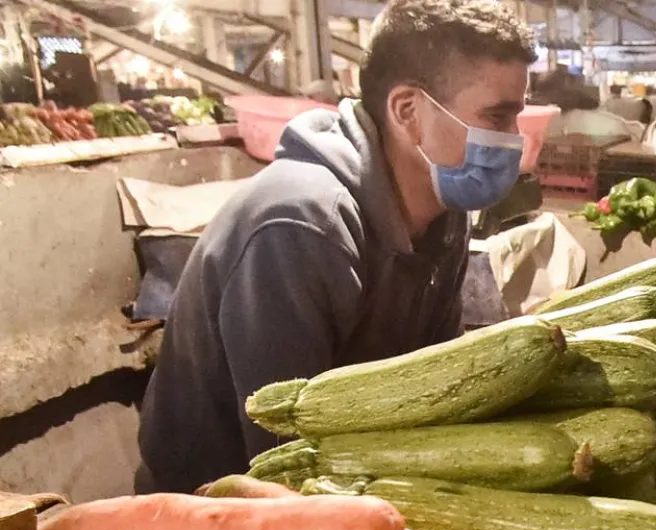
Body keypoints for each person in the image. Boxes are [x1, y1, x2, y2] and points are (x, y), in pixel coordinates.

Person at [136, 0, 536, 494]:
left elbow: (438, 388)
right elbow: (286, 456)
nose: (513, 141)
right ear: (407, 110)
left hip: (352, 480)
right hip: (215, 515)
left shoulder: (445, 216)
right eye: (496, 116)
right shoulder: (301, 225)